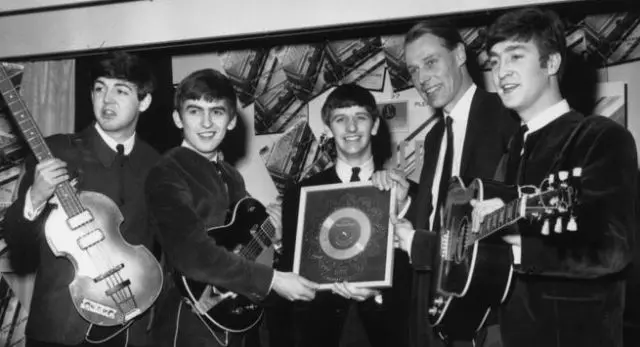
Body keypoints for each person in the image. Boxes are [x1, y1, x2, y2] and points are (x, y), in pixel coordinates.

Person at [472, 7, 637, 347]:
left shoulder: (601, 137)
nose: (502, 72)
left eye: (515, 56)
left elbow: (611, 250)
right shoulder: (513, 149)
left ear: (551, 63)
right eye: (495, 61)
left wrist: (517, 247)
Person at [144, 68, 319, 347]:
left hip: (236, 318)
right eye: (194, 111)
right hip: (190, 323)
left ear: (232, 120)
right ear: (178, 118)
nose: (206, 122)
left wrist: (272, 236)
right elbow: (193, 255)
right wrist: (272, 280)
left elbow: (243, 245)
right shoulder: (167, 172)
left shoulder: (230, 175)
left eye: (216, 111)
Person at [374, 19, 518, 347]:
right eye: (413, 70)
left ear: (459, 55)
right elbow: (434, 218)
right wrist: (405, 202)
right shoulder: (437, 135)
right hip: (436, 309)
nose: (422, 79)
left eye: (430, 62)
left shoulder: (504, 116)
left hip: (486, 314)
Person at [2, 51, 161, 347]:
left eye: (121, 90)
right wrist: (35, 197)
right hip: (60, 330)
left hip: (131, 329)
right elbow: (16, 239)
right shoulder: (55, 149)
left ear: (145, 101)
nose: (107, 100)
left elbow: (167, 245)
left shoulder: (158, 165)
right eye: (100, 88)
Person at [267, 83, 412, 347]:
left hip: (385, 333)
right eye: (340, 119)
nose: (352, 128)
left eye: (360, 117)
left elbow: (417, 274)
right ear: (328, 129)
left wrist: (378, 292)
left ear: (376, 126)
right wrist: (278, 244)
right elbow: (290, 274)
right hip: (319, 334)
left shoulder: (403, 190)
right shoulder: (299, 195)